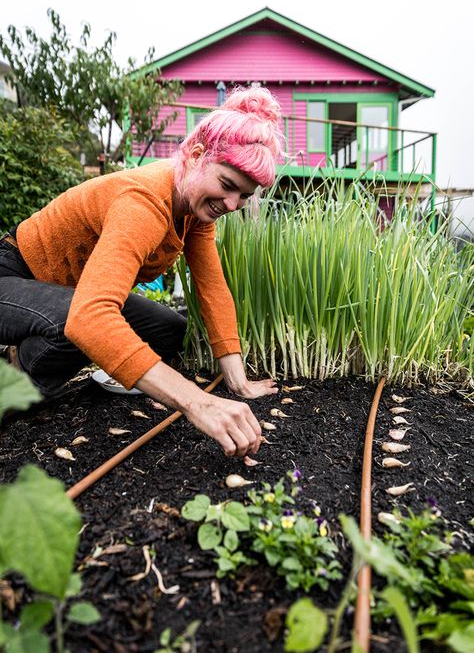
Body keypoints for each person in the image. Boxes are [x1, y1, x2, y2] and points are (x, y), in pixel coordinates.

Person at [0, 86, 284, 457]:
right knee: (79, 321)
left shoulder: (193, 211)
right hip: (13, 274)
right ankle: (17, 375)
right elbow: (90, 316)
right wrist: (197, 402)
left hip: (68, 292)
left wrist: (239, 382)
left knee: (167, 329)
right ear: (197, 155)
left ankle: (40, 360)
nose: (232, 204)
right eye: (228, 185)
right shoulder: (144, 202)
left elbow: (211, 288)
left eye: (245, 195)